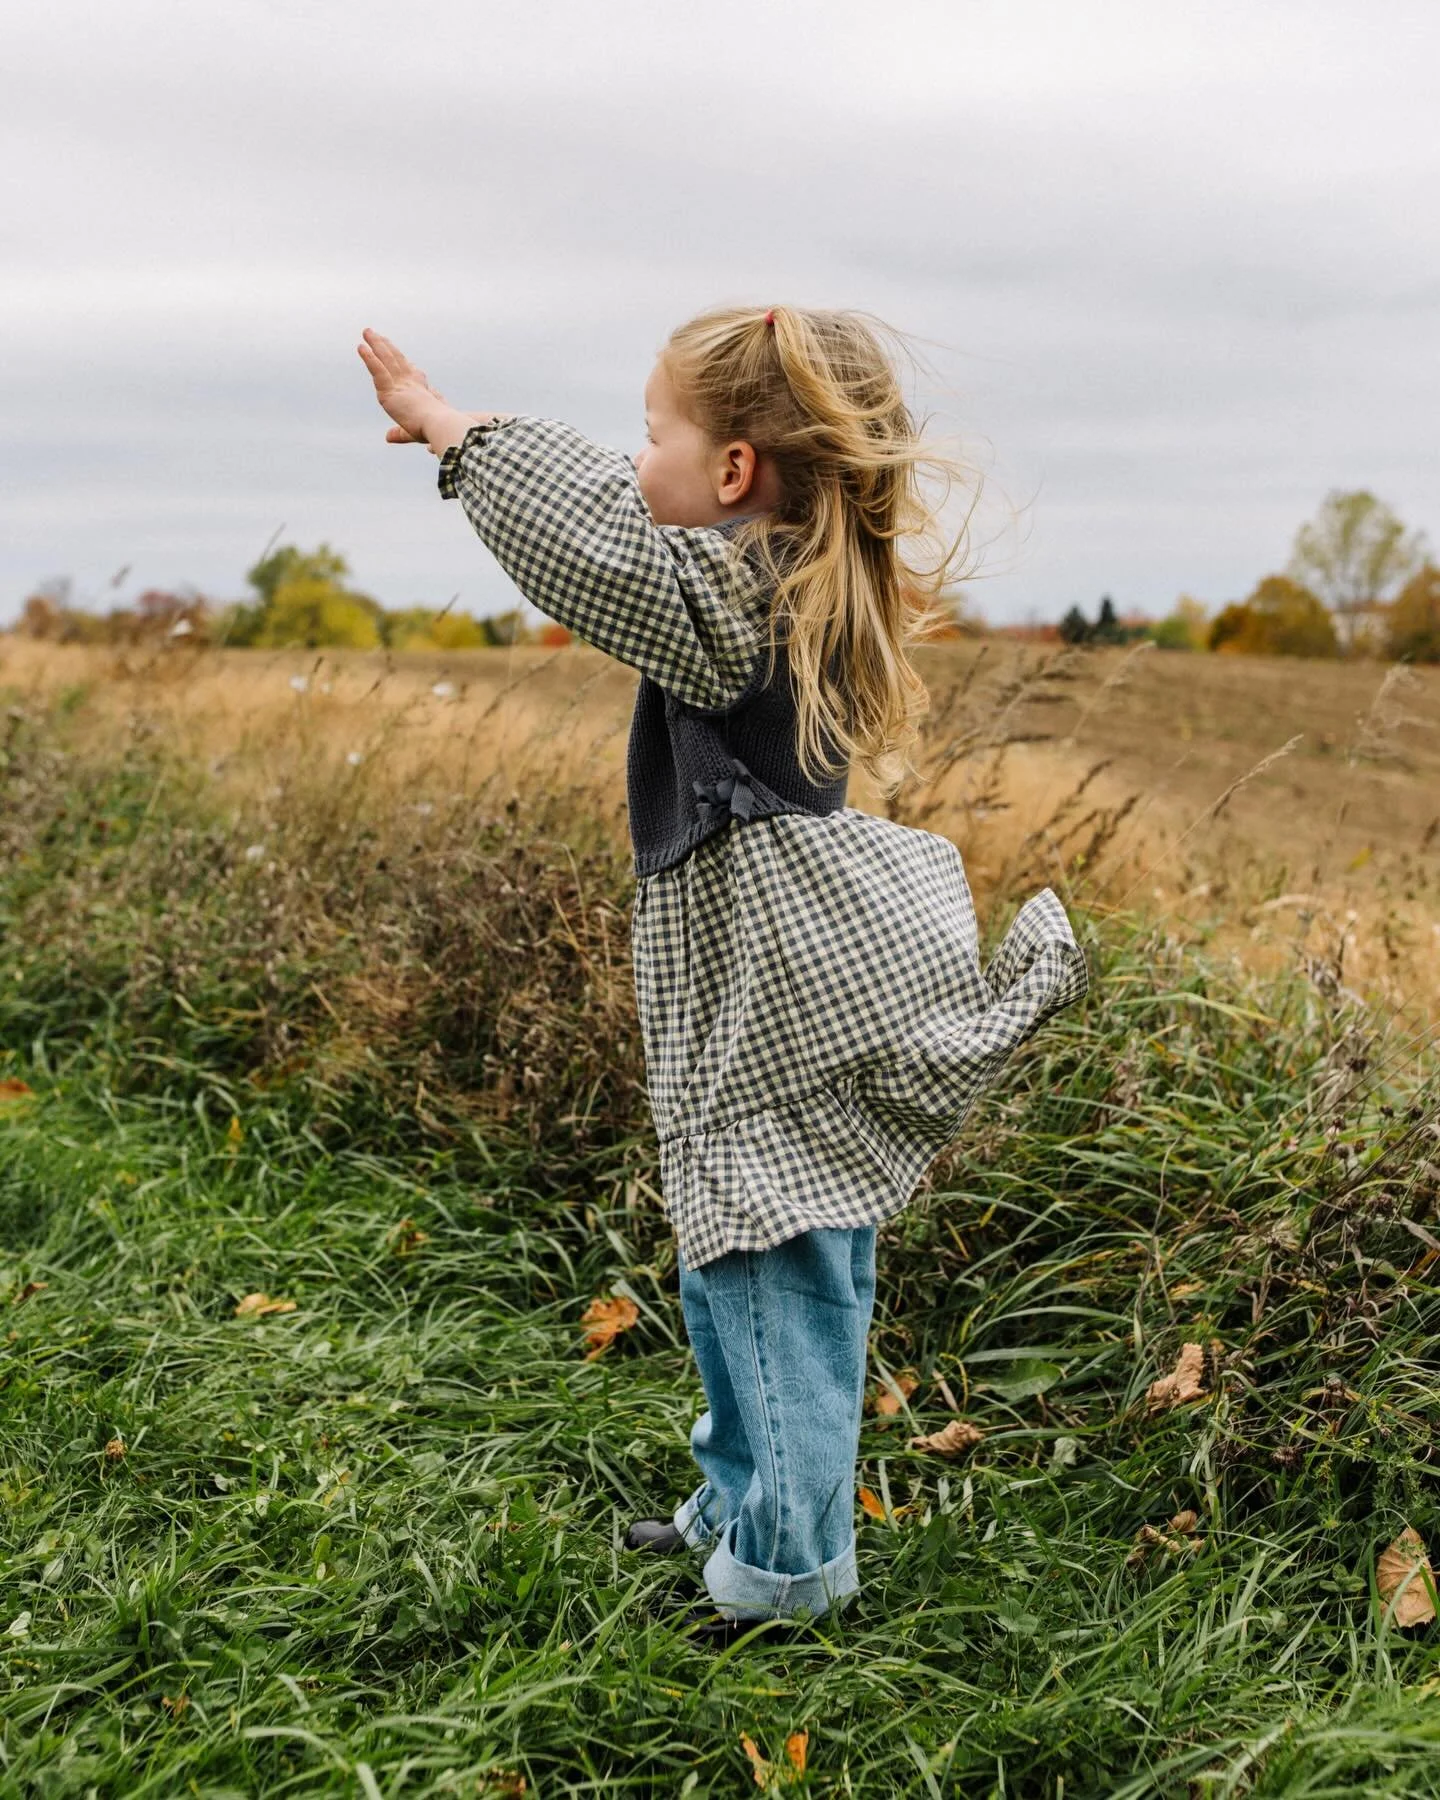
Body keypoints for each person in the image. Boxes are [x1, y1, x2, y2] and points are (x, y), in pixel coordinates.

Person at [357, 306, 1090, 1641]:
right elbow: (615, 522)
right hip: (775, 1023)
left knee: (775, 1287)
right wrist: (483, 432)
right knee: (741, 1272)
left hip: (776, 1031)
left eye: (657, 437)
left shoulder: (732, 598)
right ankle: (745, 1508)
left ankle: (787, 1578)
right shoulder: (778, 580)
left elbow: (594, 544)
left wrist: (464, 435)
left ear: (737, 471)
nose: (641, 465)